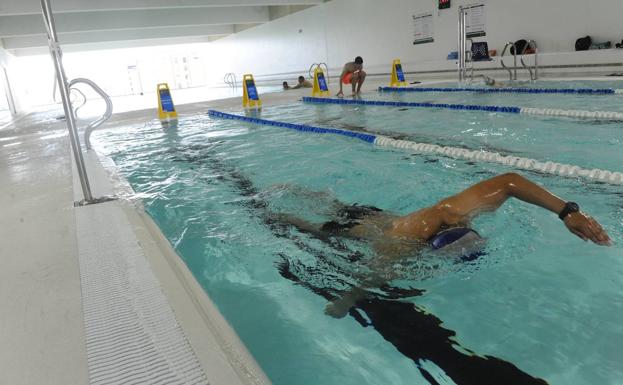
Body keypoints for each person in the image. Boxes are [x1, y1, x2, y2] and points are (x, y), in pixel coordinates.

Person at [275, 172, 612, 317]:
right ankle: (285, 211)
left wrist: (567, 213)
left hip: (382, 217)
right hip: (356, 227)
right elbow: (372, 276)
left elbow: (509, 182)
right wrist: (344, 304)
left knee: (340, 209)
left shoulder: (458, 214)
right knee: (318, 227)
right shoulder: (408, 240)